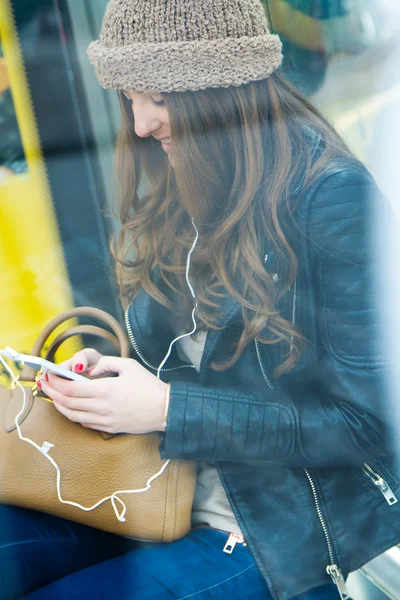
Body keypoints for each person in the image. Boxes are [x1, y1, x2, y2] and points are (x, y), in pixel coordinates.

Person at [1, 0, 399, 598]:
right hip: (158, 487)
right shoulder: (184, 175)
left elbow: (368, 425)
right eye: (129, 97)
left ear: (220, 92)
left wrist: (166, 408)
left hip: (272, 532)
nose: (140, 123)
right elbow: (197, 365)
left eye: (157, 98)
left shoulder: (331, 199)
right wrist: (120, 383)